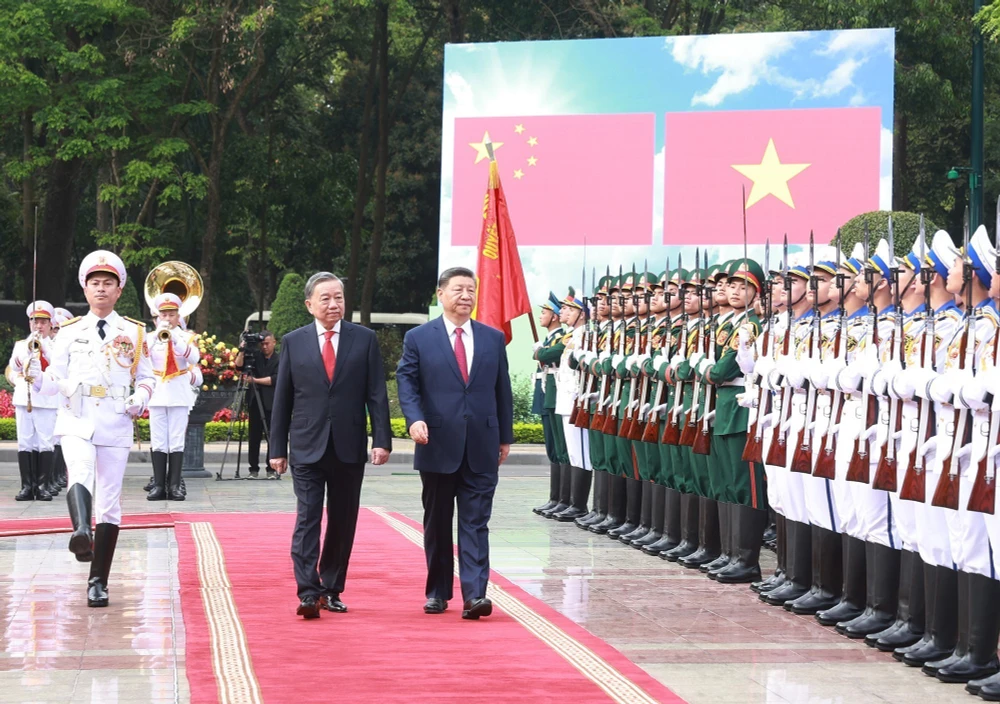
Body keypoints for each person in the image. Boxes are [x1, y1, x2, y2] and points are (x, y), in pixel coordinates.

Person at [34, 250, 155, 607]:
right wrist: (38, 378)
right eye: (94, 283)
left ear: (119, 290)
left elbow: (147, 377)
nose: (101, 289)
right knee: (80, 472)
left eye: (108, 283)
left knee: (110, 503)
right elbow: (55, 375)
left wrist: (141, 398)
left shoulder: (133, 330)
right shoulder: (70, 331)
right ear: (85, 289)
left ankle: (98, 580)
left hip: (116, 418)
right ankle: (81, 531)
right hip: (76, 416)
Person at [269, 272, 392, 619]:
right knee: (307, 519)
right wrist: (277, 448)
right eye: (325, 298)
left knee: (342, 521)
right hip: (307, 445)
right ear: (309, 304)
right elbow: (283, 399)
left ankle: (332, 588)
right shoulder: (294, 342)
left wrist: (381, 440)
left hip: (349, 447)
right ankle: (308, 592)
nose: (334, 304)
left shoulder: (364, 340)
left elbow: (376, 394)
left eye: (338, 297)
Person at [396, 266, 514, 620]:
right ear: (441, 295)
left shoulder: (492, 338)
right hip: (437, 444)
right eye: (459, 289)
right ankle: (438, 591)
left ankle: (475, 594)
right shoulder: (419, 338)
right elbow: (408, 382)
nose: (466, 296)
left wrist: (505, 436)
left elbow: (501, 390)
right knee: (437, 521)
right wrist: (414, 418)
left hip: (482, 443)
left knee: (476, 521)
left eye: (471, 290)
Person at [146, 293, 200, 501]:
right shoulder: (151, 338)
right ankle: (158, 485)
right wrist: (156, 336)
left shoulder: (187, 337)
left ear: (178, 316)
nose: (167, 318)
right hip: (157, 392)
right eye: (164, 314)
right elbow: (140, 359)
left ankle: (175, 485)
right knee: (158, 440)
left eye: (171, 314)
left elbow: (194, 358)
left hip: (178, 392)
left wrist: (175, 339)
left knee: (176, 440)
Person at [9, 301, 59, 501]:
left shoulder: (55, 347)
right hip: (25, 398)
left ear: (49, 324)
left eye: (43, 323)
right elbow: (15, 365)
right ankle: (27, 487)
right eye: (35, 322)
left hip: (46, 400)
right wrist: (30, 348)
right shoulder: (21, 345)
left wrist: (44, 349)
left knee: (45, 442)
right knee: (25, 442)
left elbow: (57, 367)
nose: (39, 326)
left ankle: (42, 485)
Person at [235, 331, 279, 478]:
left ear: (274, 342)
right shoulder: (255, 356)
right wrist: (242, 350)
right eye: (262, 344)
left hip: (272, 402)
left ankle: (271, 469)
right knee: (253, 437)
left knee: (272, 436)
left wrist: (255, 381)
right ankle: (253, 469)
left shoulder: (281, 359)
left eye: (267, 343)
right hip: (255, 400)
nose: (264, 347)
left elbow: (275, 379)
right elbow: (239, 366)